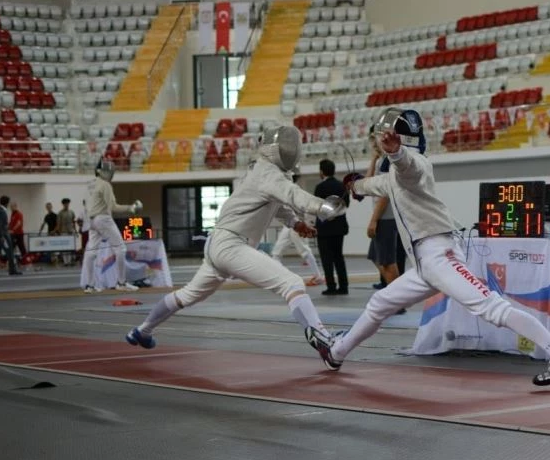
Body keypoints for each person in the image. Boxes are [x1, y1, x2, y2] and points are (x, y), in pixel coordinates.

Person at [306, 108, 550, 386]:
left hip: (441, 254)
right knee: (379, 303)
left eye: (389, 138)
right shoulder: (393, 176)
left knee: (491, 308)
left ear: (402, 140)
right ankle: (336, 353)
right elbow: (375, 184)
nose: (383, 141)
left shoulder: (416, 164)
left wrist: (395, 154)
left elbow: (407, 169)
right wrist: (355, 185)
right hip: (425, 264)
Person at [125, 125, 345, 352]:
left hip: (219, 244)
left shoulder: (267, 173)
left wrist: (296, 224)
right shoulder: (267, 172)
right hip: (231, 245)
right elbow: (292, 195)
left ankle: (142, 331)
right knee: (292, 283)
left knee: (186, 295)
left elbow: (278, 205)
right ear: (274, 149)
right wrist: (322, 207)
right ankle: (325, 344)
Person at [81, 159, 142, 293]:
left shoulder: (89, 184)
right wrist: (131, 208)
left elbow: (86, 204)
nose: (110, 174)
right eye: (108, 171)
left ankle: (90, 286)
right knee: (121, 249)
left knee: (91, 253)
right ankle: (121, 282)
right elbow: (113, 207)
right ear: (101, 172)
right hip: (103, 219)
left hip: (91, 220)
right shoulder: (105, 185)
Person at [365, 125, 404, 314]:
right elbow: (367, 184)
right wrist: (373, 160)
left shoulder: (388, 162)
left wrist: (374, 220)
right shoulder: (380, 160)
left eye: (375, 139)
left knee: (388, 261)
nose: (374, 144)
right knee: (375, 256)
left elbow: (384, 194)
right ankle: (395, 295)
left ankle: (398, 301)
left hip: (385, 217)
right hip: (383, 217)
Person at [271, 174, 325, 286]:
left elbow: (301, 208)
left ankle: (318, 276)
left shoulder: (293, 190)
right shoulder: (286, 189)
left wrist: (301, 223)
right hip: (290, 224)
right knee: (276, 251)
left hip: (297, 223)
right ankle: (278, 278)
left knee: (304, 251)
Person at [314, 159, 349, 295]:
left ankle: (331, 286)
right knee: (339, 257)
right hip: (339, 227)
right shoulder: (342, 186)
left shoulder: (320, 187)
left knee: (326, 259)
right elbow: (346, 204)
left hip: (324, 228)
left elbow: (317, 207)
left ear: (322, 171)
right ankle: (344, 286)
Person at [0, 195, 21, 275]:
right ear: (6, 203)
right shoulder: (1, 211)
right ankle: (12, 270)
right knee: (10, 252)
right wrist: (2, 236)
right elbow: (0, 225)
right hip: (3, 236)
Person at [56, 198, 77, 266]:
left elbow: (73, 222)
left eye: (68, 203)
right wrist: (58, 232)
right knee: (65, 247)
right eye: (65, 204)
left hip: (71, 231)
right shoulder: (60, 213)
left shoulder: (71, 212)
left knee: (71, 247)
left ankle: (70, 261)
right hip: (63, 232)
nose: (66, 205)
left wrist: (75, 231)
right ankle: (66, 262)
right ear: (63, 204)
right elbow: (58, 223)